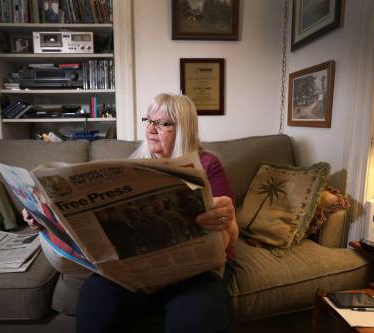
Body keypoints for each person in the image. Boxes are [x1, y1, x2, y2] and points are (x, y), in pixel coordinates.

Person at [23, 93, 238, 332]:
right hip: (135, 272)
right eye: (149, 120)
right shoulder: (133, 165)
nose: (152, 129)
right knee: (95, 299)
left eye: (163, 123)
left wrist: (223, 219)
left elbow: (232, 233)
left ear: (185, 128)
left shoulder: (208, 164)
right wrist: (42, 217)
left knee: (195, 317)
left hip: (195, 272)